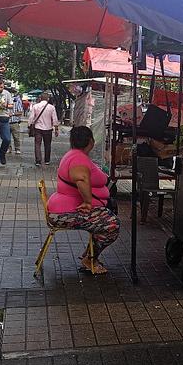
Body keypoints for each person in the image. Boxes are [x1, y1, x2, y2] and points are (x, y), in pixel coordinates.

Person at [47, 126, 120, 275]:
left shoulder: (74, 155)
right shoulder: (77, 158)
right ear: (91, 141)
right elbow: (81, 178)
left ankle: (89, 255)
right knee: (112, 224)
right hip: (65, 213)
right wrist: (88, 202)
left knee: (104, 219)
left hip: (63, 209)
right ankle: (90, 259)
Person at [28, 93, 59, 166]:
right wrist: (56, 129)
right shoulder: (51, 107)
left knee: (37, 144)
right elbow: (54, 119)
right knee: (47, 144)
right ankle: (47, 160)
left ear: (40, 98)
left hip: (38, 128)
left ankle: (38, 161)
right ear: (48, 99)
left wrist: (29, 126)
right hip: (48, 129)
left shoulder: (36, 106)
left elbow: (31, 117)